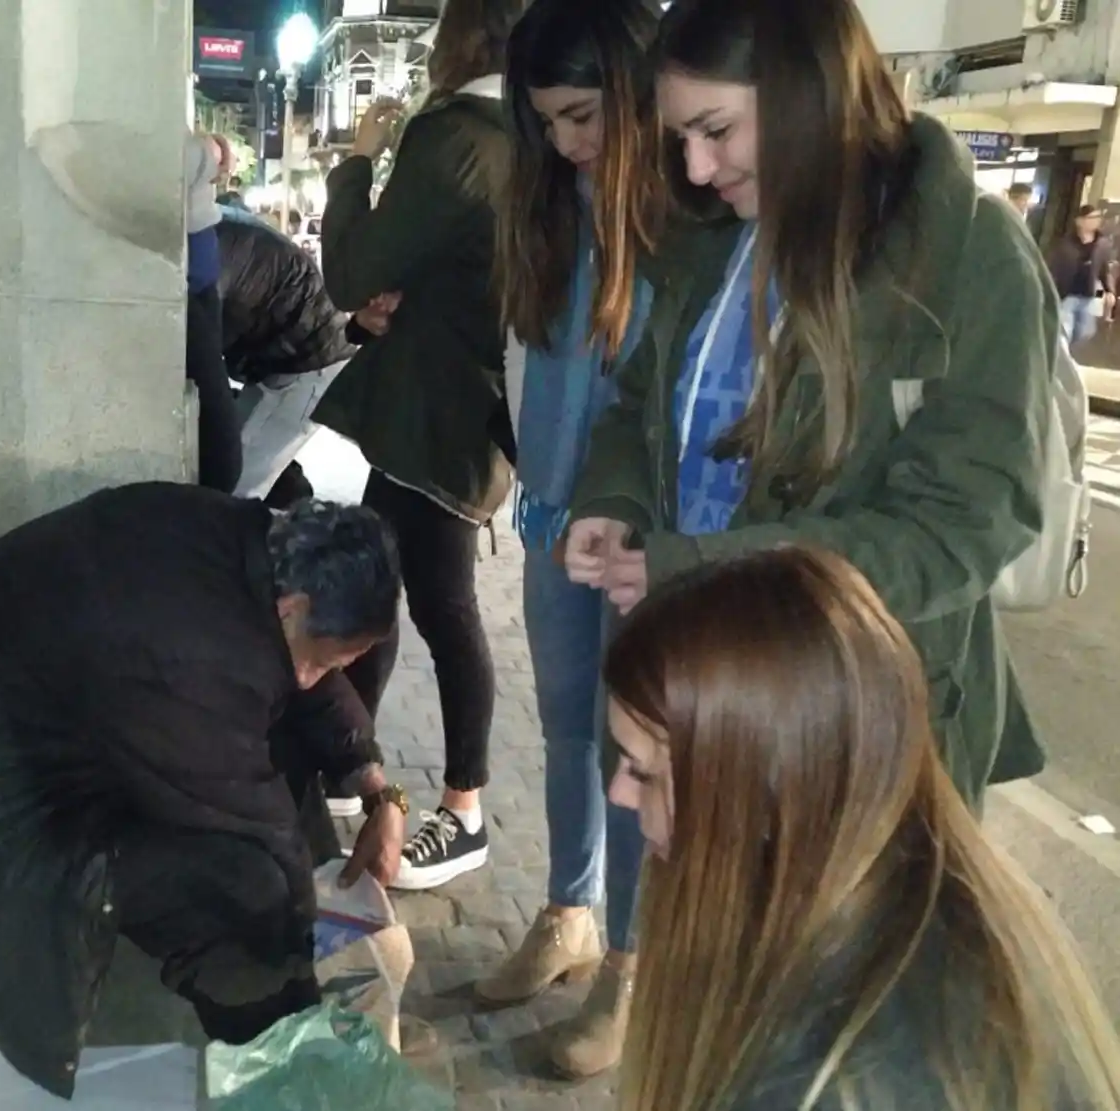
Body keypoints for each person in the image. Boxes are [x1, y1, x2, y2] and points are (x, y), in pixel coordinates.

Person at [566, 0, 1058, 806]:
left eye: (716, 131)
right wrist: (614, 496)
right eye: (680, 138)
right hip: (701, 692)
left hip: (857, 730)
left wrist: (699, 567)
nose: (694, 168)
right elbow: (638, 404)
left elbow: (957, 532)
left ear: (809, 94)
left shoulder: (967, 254)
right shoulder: (713, 239)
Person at [0, 488, 409, 1097]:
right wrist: (311, 949)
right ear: (293, 607)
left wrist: (376, 786)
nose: (320, 677)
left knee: (286, 756)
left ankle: (289, 1037)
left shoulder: (253, 541)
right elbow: (260, 830)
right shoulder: (188, 656)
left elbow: (310, 679)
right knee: (246, 889)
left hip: (35, 746)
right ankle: (283, 1068)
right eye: (323, 660)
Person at [602, 547, 1120, 1111]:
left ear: (763, 787)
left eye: (642, 770)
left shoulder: (825, 1081)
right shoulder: (931, 891)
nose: (618, 793)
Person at [472, 0, 666, 1079]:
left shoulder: (687, 212)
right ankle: (570, 911)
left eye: (584, 114)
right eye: (546, 120)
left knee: (637, 747)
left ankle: (631, 966)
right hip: (552, 520)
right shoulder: (551, 201)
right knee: (565, 729)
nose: (567, 142)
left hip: (644, 540)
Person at [314, 0, 525, 890]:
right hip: (455, 415)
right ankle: (348, 764)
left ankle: (466, 808)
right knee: (387, 590)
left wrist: (357, 160)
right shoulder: (520, 140)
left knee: (440, 604)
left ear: (464, 38)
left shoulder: (460, 139)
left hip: (442, 423)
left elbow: (352, 269)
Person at [215, 207, 357, 499]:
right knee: (230, 469)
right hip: (293, 357)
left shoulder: (212, 248)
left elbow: (197, 342)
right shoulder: (219, 229)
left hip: (307, 364)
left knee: (234, 484)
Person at [184, 133, 242, 491]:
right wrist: (213, 151)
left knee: (221, 448)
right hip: (188, 291)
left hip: (198, 288)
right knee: (221, 453)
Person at [1046, 203, 1115, 349]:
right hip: (1067, 294)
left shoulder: (1102, 244)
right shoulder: (1065, 243)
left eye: (1098, 217)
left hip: (1089, 294)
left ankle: (1067, 353)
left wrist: (1109, 291)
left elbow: (1104, 270)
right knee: (1065, 332)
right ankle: (1063, 361)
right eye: (1092, 217)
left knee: (1086, 332)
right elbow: (1053, 267)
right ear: (1079, 221)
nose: (1096, 220)